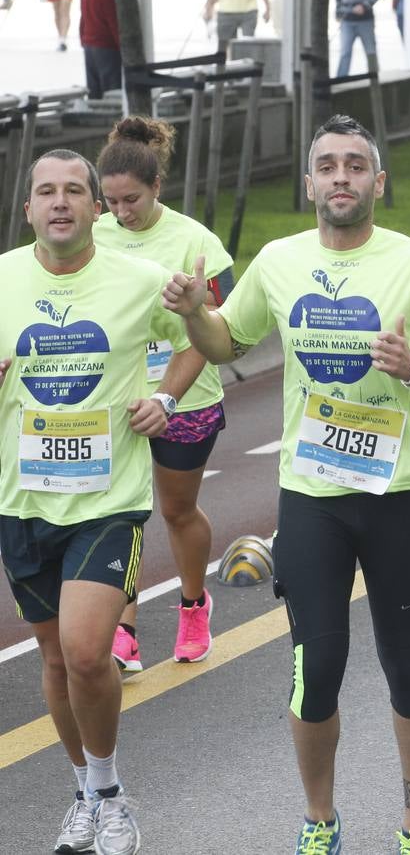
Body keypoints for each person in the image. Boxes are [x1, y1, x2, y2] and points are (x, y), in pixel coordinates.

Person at [162, 114, 410, 855]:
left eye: (355, 166)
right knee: (315, 670)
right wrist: (194, 316)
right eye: (327, 166)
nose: (340, 177)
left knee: (407, 665)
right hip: (312, 498)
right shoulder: (279, 261)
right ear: (309, 181)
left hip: (398, 498)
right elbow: (228, 341)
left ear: (379, 182)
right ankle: (320, 821)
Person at [2, 149, 205, 855]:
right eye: (45, 192)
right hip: (22, 500)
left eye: (75, 192)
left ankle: (112, 795)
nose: (60, 202)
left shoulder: (141, 279)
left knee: (90, 654)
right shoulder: (0, 281)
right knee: (56, 663)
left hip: (107, 498)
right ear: (27, 208)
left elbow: (199, 339)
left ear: (96, 209)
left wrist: (164, 397)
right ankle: (83, 794)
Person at [92, 117, 234, 672]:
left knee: (176, 510)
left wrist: (168, 398)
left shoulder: (195, 240)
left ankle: (194, 604)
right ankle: (124, 629)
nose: (121, 213)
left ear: (157, 189)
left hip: (186, 397)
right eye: (111, 202)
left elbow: (215, 331)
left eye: (132, 200)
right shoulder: (93, 233)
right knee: (120, 513)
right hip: (113, 400)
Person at [79, 0, 120, 100]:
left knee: (94, 92)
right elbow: (113, 20)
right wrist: (122, 46)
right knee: (112, 92)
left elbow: (83, 18)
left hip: (89, 45)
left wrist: (83, 41)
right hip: (107, 47)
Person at [335, 0, 381, 77]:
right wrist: (338, 12)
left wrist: (364, 6)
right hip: (347, 20)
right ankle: (340, 81)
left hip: (365, 20)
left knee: (370, 51)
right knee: (345, 52)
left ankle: (375, 79)